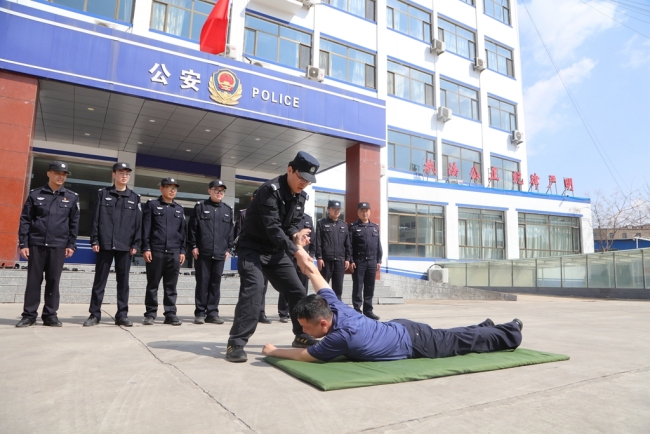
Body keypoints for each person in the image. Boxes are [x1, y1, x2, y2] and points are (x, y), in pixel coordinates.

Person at [262, 257, 523, 362]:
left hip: (414, 342)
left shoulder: (340, 337)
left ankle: (510, 332)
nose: (302, 331)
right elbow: (318, 279)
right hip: (401, 329)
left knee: (461, 343)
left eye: (305, 326)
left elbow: (303, 356)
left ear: (322, 324)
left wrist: (273, 351)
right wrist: (304, 258)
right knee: (453, 336)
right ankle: (485, 327)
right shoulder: (335, 308)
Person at [226, 151, 320, 363]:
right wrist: (297, 252)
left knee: (297, 290)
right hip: (252, 249)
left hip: (275, 252)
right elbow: (273, 228)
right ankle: (236, 343)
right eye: (301, 177)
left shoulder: (300, 196)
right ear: (290, 170)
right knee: (254, 289)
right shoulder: (269, 191)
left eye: (308, 180)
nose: (304, 183)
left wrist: (297, 234)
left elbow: (294, 222)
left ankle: (301, 335)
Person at [16, 161, 79, 327]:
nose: (61, 176)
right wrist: (24, 243)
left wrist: (71, 244)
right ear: (49, 173)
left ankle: (50, 315)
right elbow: (25, 220)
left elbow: (74, 223)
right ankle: (29, 315)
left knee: (53, 281)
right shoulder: (35, 195)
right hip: (36, 244)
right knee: (33, 281)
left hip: (58, 246)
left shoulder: (71, 197)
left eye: (64, 174)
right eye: (57, 173)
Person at [84, 162, 142, 327]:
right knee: (99, 281)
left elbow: (138, 224)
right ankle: (94, 314)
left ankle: (122, 315)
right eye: (121, 172)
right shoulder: (103, 194)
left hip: (125, 246)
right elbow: (95, 219)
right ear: (114, 174)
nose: (124, 175)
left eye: (127, 173)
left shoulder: (134, 198)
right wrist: (94, 239)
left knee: (123, 283)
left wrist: (136, 244)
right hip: (105, 244)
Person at [188, 179, 234, 325]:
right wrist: (194, 245)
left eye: (222, 191)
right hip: (203, 252)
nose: (219, 193)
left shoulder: (227, 210)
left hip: (220, 252)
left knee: (215, 283)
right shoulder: (200, 207)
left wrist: (229, 248)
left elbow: (230, 232)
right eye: (216, 190)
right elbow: (192, 228)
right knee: (202, 283)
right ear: (209, 191)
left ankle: (212, 313)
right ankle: (200, 313)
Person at [141, 177, 186, 326]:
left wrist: (182, 251)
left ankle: (170, 314)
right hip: (156, 251)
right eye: (169, 187)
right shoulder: (152, 205)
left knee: (171, 286)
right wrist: (146, 248)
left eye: (175, 187)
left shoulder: (179, 209)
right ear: (161, 188)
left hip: (174, 252)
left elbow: (182, 233)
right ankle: (150, 314)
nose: (172, 190)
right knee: (152, 285)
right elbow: (146, 228)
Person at [234, 189, 271, 324]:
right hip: (249, 255)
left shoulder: (269, 214)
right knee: (247, 286)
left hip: (264, 255)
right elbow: (237, 234)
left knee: (263, 286)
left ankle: (260, 313)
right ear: (252, 199)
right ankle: (244, 314)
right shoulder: (244, 214)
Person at [278, 213, 315, 323]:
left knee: (303, 285)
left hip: (304, 256)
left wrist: (312, 253)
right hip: (289, 256)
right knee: (286, 284)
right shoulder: (287, 217)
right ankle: (283, 312)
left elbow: (313, 238)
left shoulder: (308, 219)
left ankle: (301, 311)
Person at [349, 202, 382, 319]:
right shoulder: (353, 227)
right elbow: (350, 246)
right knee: (358, 287)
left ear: (370, 212)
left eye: (366, 210)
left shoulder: (375, 227)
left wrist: (379, 260)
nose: (364, 213)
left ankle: (368, 310)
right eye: (362, 210)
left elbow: (378, 245)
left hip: (372, 262)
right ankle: (357, 311)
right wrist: (351, 260)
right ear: (358, 212)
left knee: (369, 287)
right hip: (359, 261)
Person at [314, 200, 351, 300]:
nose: (336, 211)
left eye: (338, 209)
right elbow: (318, 241)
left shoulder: (343, 225)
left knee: (338, 288)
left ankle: (337, 311)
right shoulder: (321, 223)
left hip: (340, 261)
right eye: (334, 209)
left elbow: (347, 243)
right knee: (323, 287)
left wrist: (347, 258)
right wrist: (319, 257)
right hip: (326, 261)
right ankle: (321, 311)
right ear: (328, 209)